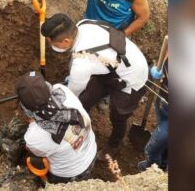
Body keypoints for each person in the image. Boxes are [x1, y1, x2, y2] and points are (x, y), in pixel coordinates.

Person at [40, 13, 148, 160]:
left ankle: (114, 144)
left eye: (52, 43)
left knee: (118, 115)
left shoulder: (82, 63)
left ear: (66, 40)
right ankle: (81, 125)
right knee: (85, 100)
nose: (50, 45)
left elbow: (71, 96)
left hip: (132, 77)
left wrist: (55, 102)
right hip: (109, 67)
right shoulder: (84, 23)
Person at [15, 71, 97, 184]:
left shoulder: (34, 137)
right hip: (91, 152)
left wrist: (32, 120)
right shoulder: (62, 90)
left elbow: (33, 150)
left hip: (70, 174)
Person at [138, 60, 168, 172]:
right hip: (163, 103)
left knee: (153, 148)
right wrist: (158, 67)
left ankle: (152, 167)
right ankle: (164, 163)